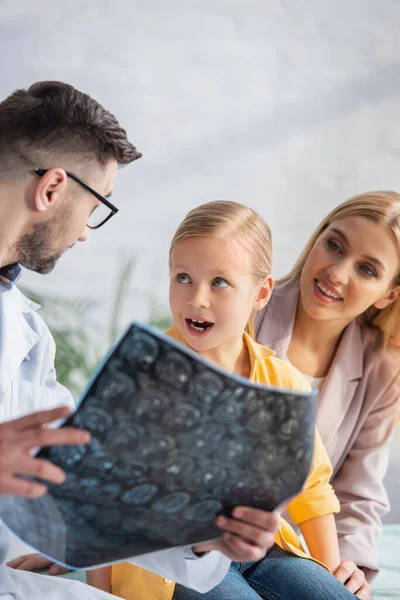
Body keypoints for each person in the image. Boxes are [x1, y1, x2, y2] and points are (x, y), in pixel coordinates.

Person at [0, 82, 279, 600]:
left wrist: (204, 537)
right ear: (53, 188)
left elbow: (80, 497)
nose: (85, 233)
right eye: (96, 206)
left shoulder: (26, 331)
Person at [89, 201, 362, 599]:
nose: (196, 298)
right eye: (183, 277)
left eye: (219, 282)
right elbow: (100, 497)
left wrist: (333, 575)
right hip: (174, 562)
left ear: (261, 293)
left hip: (262, 550)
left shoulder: (280, 382)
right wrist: (100, 595)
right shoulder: (139, 378)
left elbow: (311, 488)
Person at [254, 191, 400, 600]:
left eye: (367, 269)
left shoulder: (383, 369)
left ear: (390, 293)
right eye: (334, 245)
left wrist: (348, 562)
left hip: (291, 550)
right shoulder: (245, 314)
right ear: (316, 238)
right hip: (208, 538)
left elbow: (359, 491)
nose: (337, 272)